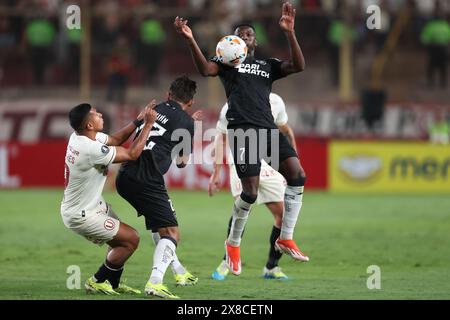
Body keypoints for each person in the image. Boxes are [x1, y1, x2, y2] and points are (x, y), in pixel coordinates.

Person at [174, 1, 309, 277]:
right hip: (243, 130)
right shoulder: (226, 63)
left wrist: (290, 33)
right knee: (248, 192)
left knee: (297, 175)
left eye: (248, 34)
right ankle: (232, 245)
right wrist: (191, 41)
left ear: (254, 43)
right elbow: (204, 71)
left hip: (268, 130)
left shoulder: (267, 65)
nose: (244, 37)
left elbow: (298, 66)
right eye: (238, 34)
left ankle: (286, 237)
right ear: (232, 42)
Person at [60, 101, 157, 295]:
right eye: (95, 114)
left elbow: (115, 139)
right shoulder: (90, 149)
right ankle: (97, 280)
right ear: (88, 125)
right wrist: (148, 125)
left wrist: (137, 122)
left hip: (89, 205)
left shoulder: (80, 136)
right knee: (131, 240)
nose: (100, 115)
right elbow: (131, 154)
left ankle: (112, 284)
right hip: (82, 214)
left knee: (120, 241)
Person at [115, 76, 198, 299]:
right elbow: (182, 162)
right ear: (190, 102)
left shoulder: (154, 108)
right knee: (172, 233)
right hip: (147, 179)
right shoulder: (187, 123)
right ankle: (155, 282)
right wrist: (190, 129)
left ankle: (179, 272)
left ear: (169, 94)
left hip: (124, 176)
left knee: (160, 228)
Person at [209, 93, 297, 281]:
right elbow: (221, 138)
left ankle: (271, 267)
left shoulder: (276, 101)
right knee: (242, 210)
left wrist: (293, 162)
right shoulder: (231, 106)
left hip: (268, 162)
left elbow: (286, 129)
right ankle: (227, 261)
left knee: (284, 215)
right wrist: (216, 172)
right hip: (241, 161)